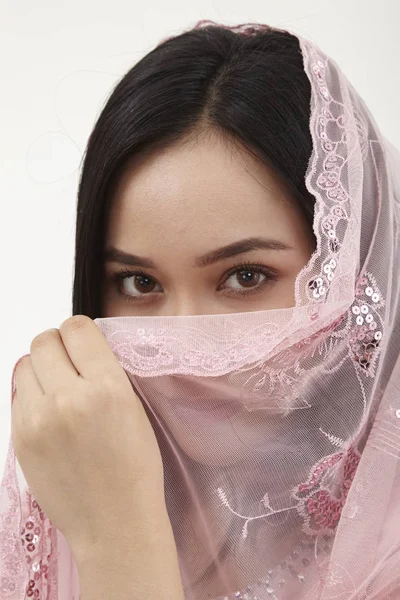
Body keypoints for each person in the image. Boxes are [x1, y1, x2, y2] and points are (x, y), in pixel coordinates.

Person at [1, 19, 400, 600]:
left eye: (245, 277)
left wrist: (118, 543)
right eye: (138, 282)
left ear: (355, 279)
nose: (184, 349)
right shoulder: (46, 512)